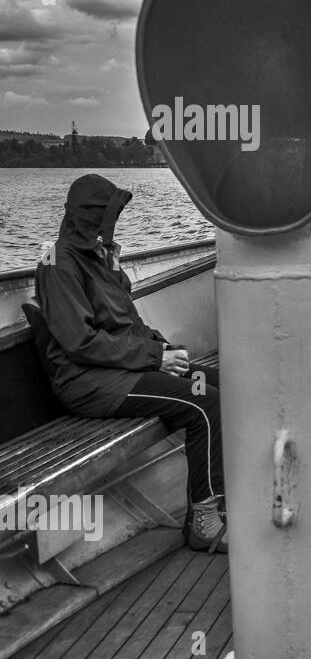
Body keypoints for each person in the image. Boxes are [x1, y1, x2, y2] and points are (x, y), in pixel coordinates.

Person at [33, 174, 227, 553]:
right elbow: (80, 342)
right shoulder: (57, 262)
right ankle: (203, 520)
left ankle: (220, 499)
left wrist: (162, 349)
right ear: (89, 217)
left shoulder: (94, 255)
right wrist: (156, 358)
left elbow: (123, 319)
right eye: (107, 217)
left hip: (123, 368)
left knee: (224, 383)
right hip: (90, 382)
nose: (113, 224)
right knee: (204, 403)